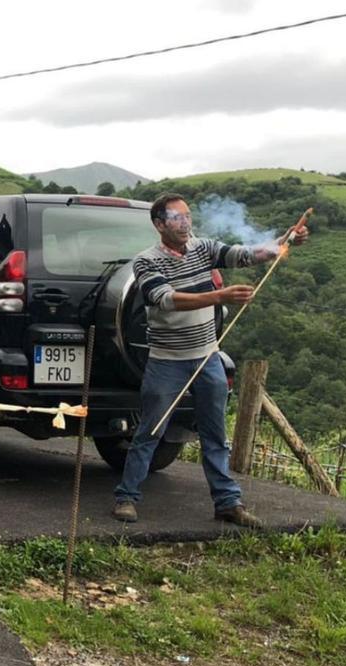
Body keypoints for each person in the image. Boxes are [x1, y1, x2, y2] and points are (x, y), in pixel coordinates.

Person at [113, 193, 308, 527]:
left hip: (207, 358)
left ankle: (227, 502)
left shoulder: (204, 248)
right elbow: (166, 300)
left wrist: (283, 242)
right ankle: (126, 497)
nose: (185, 222)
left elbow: (246, 255)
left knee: (215, 434)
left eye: (188, 216)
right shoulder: (146, 261)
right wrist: (219, 296)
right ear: (159, 224)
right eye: (177, 217)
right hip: (167, 362)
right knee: (151, 431)